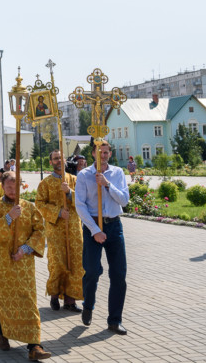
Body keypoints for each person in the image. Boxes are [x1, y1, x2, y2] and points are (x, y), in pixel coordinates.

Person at [0, 171, 51, 360]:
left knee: (28, 299)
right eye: (9, 187)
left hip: (24, 262)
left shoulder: (29, 207)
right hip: (4, 262)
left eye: (16, 187)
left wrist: (25, 249)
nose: (13, 191)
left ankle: (34, 345)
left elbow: (39, 231)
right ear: (2, 186)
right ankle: (3, 333)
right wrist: (9, 217)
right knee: (4, 297)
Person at [75, 141, 130, 335]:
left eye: (106, 152)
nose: (103, 156)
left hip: (114, 225)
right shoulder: (83, 175)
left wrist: (107, 185)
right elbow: (80, 206)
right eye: (100, 152)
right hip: (93, 227)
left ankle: (115, 320)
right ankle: (88, 304)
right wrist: (95, 230)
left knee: (118, 275)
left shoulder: (117, 173)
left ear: (110, 154)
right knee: (91, 271)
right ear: (93, 154)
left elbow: (124, 200)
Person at [36, 150, 83, 313]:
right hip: (55, 229)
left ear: (64, 160)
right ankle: (54, 296)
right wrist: (57, 212)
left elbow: (84, 201)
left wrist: (69, 193)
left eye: (60, 158)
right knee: (58, 263)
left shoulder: (75, 180)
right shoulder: (45, 183)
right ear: (51, 162)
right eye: (55, 158)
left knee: (75, 263)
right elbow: (39, 204)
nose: (58, 161)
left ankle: (70, 300)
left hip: (74, 228)